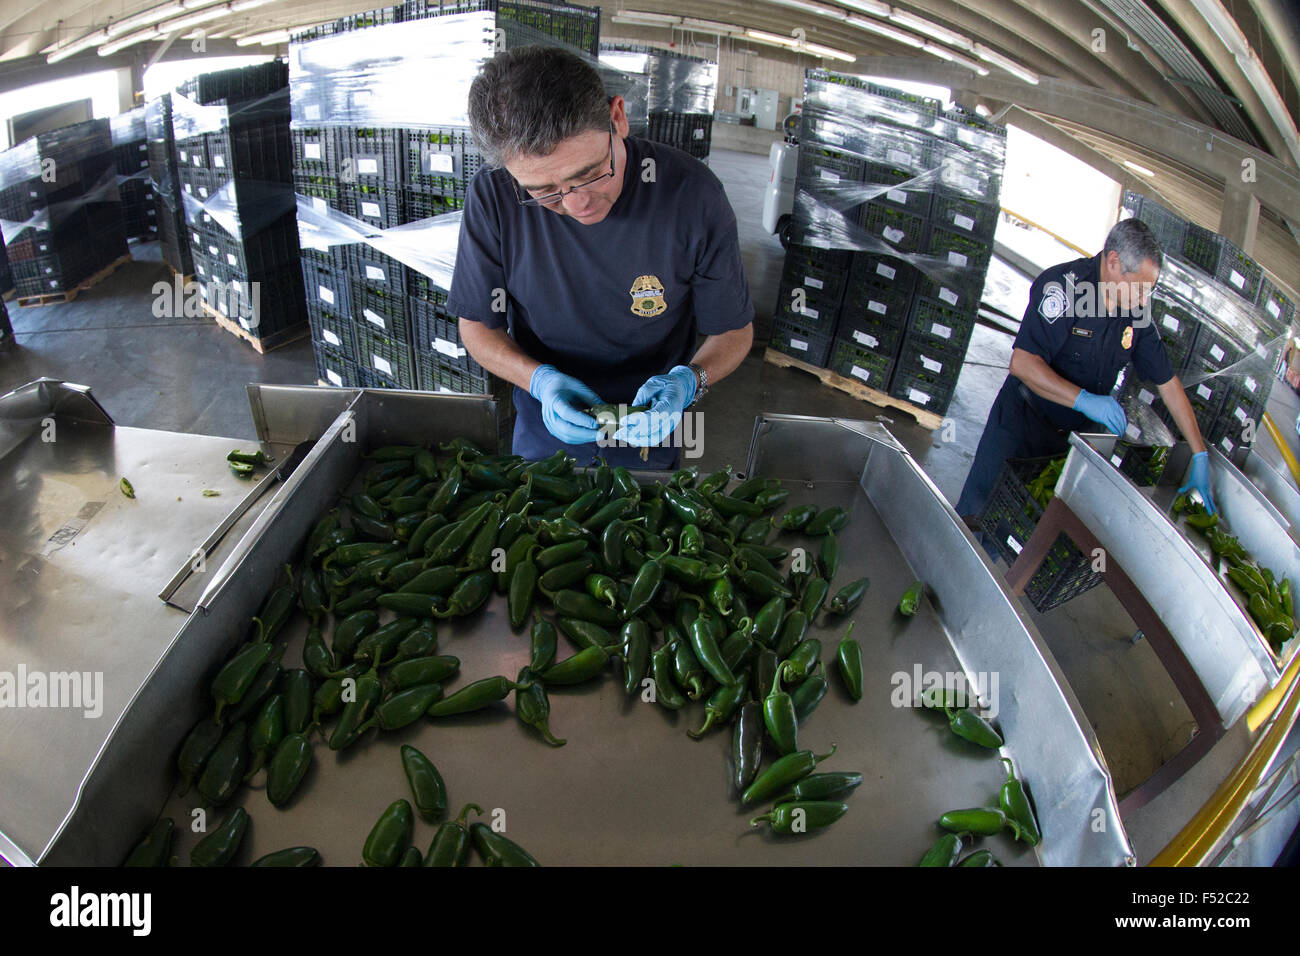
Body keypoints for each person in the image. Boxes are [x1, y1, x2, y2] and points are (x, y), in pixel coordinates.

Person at [445, 45, 755, 468]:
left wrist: (689, 381)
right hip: (545, 422)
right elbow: (478, 324)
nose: (577, 205)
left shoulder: (692, 196)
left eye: (590, 174)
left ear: (618, 117)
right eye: (543, 192)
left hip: (652, 421)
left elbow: (733, 332)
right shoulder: (494, 193)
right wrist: (540, 381)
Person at [955, 218, 1217, 533]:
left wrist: (1199, 454)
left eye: (1150, 291)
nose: (1144, 300)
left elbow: (1168, 383)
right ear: (1114, 262)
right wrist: (1086, 400)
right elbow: (1023, 363)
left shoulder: (1135, 313)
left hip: (1069, 441)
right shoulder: (1065, 288)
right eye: (1140, 289)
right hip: (1021, 427)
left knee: (1024, 528)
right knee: (976, 520)